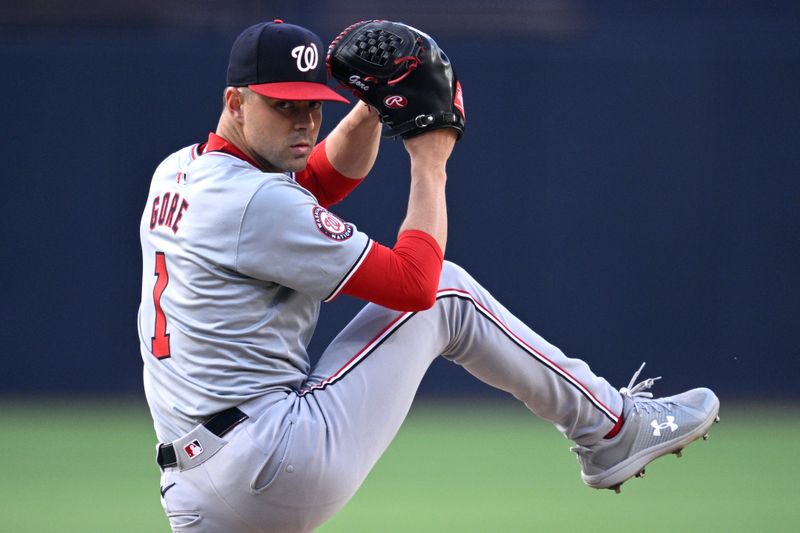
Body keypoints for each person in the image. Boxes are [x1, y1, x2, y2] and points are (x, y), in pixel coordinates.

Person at [138, 20, 720, 532]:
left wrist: (373, 108)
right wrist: (429, 158)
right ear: (236, 102)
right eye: (282, 105)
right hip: (272, 460)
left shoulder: (180, 172)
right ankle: (612, 428)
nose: (305, 120)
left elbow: (314, 185)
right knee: (447, 292)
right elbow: (414, 285)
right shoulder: (256, 204)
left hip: (193, 487)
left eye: (314, 104)